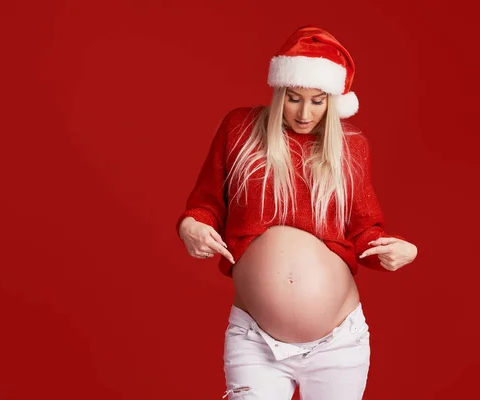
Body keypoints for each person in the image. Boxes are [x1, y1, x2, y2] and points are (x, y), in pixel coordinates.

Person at [176, 25, 418, 400]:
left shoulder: (351, 148)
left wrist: (400, 249)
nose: (304, 113)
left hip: (337, 343)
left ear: (332, 100)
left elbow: (365, 229)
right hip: (254, 337)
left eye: (318, 101)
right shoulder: (239, 129)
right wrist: (191, 226)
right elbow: (206, 205)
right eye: (293, 98)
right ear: (278, 90)